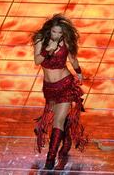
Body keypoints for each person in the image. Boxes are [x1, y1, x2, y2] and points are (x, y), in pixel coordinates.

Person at [32, 13, 88, 170]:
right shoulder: (40, 39)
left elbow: (73, 59)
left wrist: (79, 72)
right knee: (56, 119)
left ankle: (50, 159)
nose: (56, 35)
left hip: (65, 84)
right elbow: (37, 61)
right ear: (49, 30)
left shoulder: (66, 42)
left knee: (58, 120)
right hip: (49, 88)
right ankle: (67, 138)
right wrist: (47, 50)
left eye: (60, 33)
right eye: (54, 32)